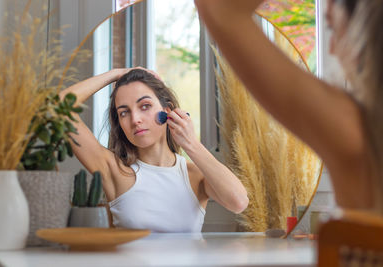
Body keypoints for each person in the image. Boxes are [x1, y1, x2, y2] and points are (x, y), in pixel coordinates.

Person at [195, 0, 383, 213]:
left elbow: (219, 8)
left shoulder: (353, 129)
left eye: (332, 27)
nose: (332, 49)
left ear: (365, 32)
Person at [60, 68, 249, 232]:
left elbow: (238, 202)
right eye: (124, 112)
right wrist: (116, 74)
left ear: (167, 112)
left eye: (145, 106)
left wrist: (191, 143)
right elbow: (60, 105)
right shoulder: (114, 171)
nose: (135, 119)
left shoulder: (194, 175)